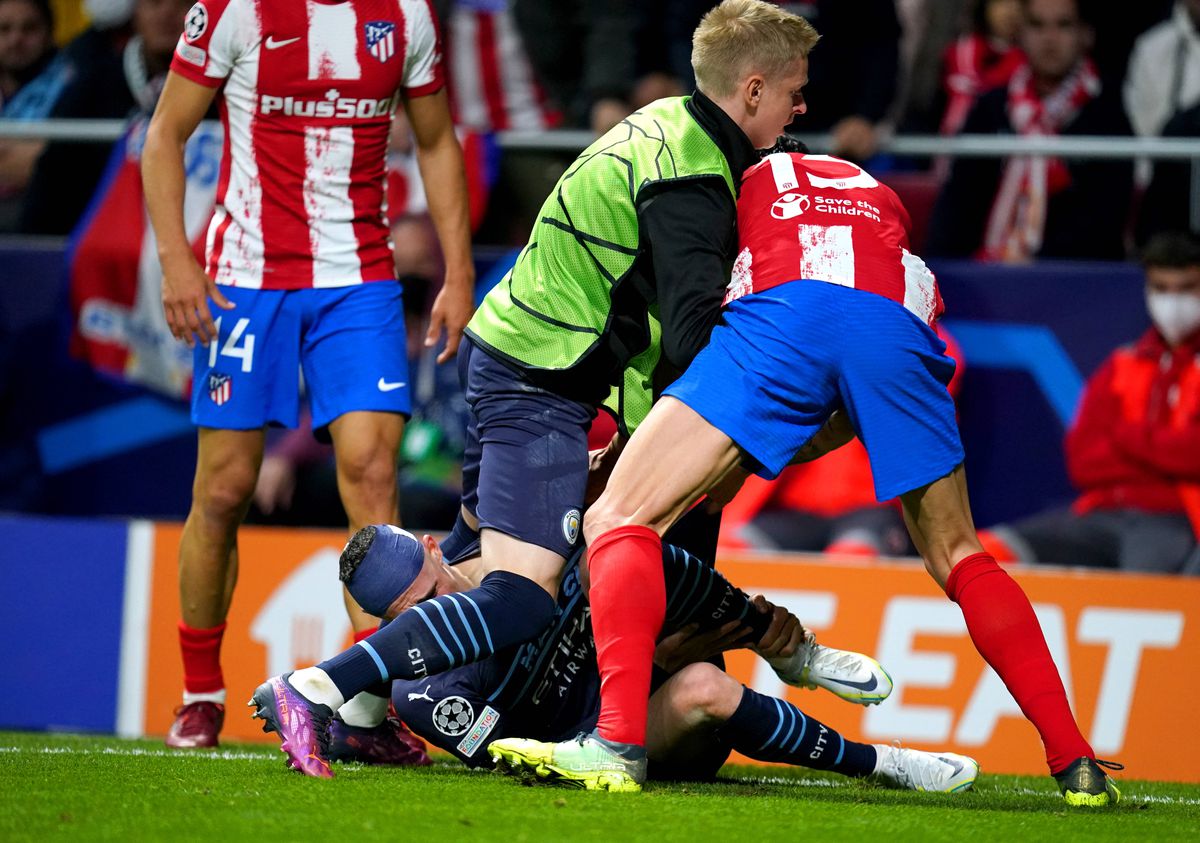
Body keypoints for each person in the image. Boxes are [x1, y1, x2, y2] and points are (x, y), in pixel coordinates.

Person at [245, 0, 820, 757]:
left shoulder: (669, 125)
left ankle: (357, 719)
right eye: (794, 92)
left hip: (516, 355)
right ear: (752, 90)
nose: (801, 108)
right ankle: (318, 686)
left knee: (463, 564)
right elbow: (689, 344)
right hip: (539, 380)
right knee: (518, 597)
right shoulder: (692, 180)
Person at [488, 147, 1123, 807]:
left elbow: (701, 313)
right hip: (894, 321)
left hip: (786, 309)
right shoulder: (878, 196)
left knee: (620, 517)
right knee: (961, 554)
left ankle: (616, 744)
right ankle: (1075, 759)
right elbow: (865, 348)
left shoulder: (736, 181)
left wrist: (703, 445)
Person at [142, 0, 475, 749]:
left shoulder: (405, 15)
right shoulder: (231, 11)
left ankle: (365, 713)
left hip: (358, 280)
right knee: (223, 489)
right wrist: (175, 260)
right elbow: (163, 135)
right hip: (244, 278)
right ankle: (199, 694)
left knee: (372, 478)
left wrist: (458, 272)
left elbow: (436, 141)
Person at [251, 524, 980, 794]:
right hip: (608, 738)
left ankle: (788, 646)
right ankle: (886, 765)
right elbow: (522, 761)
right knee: (703, 686)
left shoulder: (511, 549)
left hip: (638, 660)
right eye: (411, 613)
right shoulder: (428, 694)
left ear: (436, 549)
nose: (436, 610)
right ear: (388, 626)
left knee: (623, 541)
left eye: (433, 589)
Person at [984, 231, 1200, 574]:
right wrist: (1162, 455)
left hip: (1173, 517)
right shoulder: (1124, 362)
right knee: (987, 552)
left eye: (1186, 289)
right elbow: (1083, 459)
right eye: (1161, 288)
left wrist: (1127, 436)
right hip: (1100, 512)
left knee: (1140, 592)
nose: (1173, 303)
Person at [926, 0, 1134, 262]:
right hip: (985, 271)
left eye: (1063, 25)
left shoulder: (1108, 114)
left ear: (1085, 35)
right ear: (1020, 32)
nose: (1050, 38)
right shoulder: (990, 108)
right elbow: (958, 205)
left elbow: (1105, 223)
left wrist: (1033, 266)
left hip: (1072, 276)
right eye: (1037, 25)